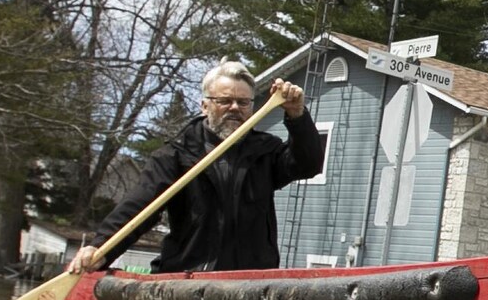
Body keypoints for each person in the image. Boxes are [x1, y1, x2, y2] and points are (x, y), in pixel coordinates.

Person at [68, 61, 322, 274]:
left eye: (243, 103)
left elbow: (308, 164)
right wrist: (101, 248)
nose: (235, 108)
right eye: (225, 101)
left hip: (250, 280)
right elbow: (140, 207)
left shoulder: (266, 152)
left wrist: (297, 115)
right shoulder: (175, 155)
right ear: (204, 105)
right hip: (186, 277)